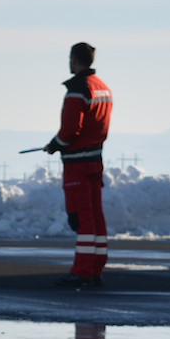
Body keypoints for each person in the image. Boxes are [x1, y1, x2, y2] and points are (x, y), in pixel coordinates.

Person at [43, 42, 113, 287]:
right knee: (95, 214)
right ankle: (96, 267)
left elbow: (71, 129)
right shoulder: (102, 87)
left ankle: (83, 270)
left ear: (74, 59)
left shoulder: (77, 90)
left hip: (77, 164)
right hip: (95, 160)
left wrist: (55, 144)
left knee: (82, 218)